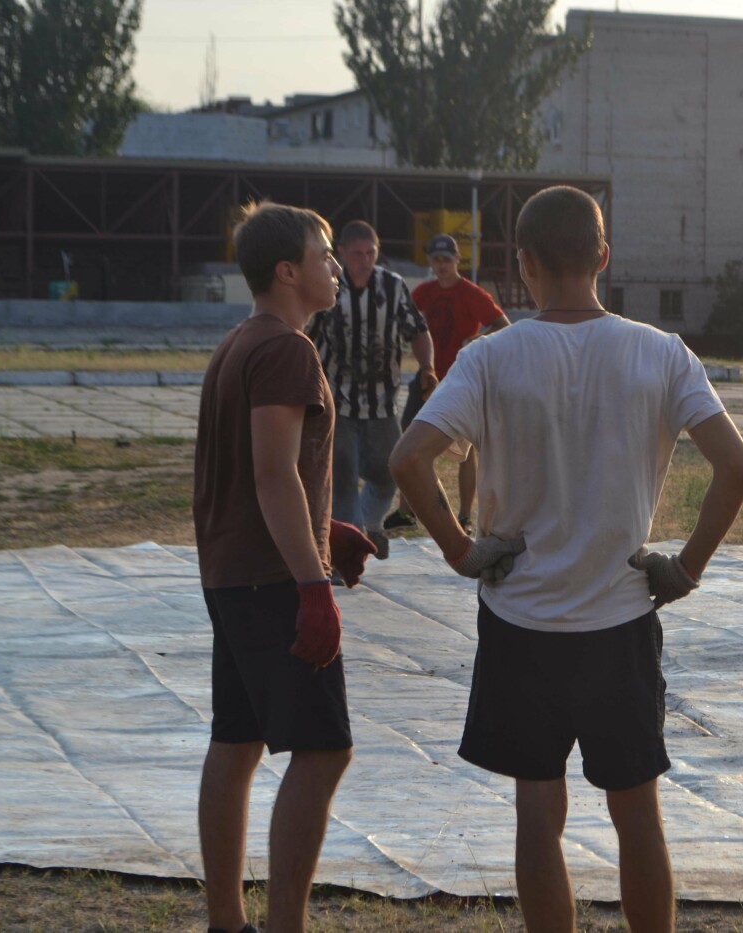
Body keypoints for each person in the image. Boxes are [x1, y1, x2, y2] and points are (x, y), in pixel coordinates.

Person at [390, 186, 743, 933]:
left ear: (523, 264)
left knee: (537, 812)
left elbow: (408, 459)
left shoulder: (491, 358)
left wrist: (462, 550)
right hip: (618, 620)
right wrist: (684, 568)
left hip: (522, 621)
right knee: (637, 815)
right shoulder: (661, 353)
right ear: (604, 258)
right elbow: (737, 467)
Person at [193, 201, 378, 933]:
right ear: (287, 271)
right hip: (272, 583)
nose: (336, 266)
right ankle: (283, 927)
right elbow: (272, 476)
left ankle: (225, 921)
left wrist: (328, 532)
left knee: (236, 743)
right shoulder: (285, 351)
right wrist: (313, 584)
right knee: (325, 750)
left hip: (235, 574)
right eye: (325, 253)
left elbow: (256, 476)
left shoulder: (239, 343)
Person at [307, 220, 435, 563]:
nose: (365, 260)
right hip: (338, 401)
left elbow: (418, 330)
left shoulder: (391, 287)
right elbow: (305, 333)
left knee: (390, 474)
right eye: (358, 254)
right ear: (343, 254)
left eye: (371, 253)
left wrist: (427, 367)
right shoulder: (328, 287)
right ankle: (343, 552)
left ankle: (369, 524)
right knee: (341, 480)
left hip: (381, 403)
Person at [394, 232, 510, 533]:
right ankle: (406, 512)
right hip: (427, 379)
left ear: (457, 260)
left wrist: (476, 340)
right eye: (436, 260)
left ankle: (464, 516)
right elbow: (404, 317)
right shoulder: (424, 291)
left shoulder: (471, 293)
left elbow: (502, 324)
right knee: (409, 443)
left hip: (459, 383)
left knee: (463, 451)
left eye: (447, 259)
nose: (442, 265)